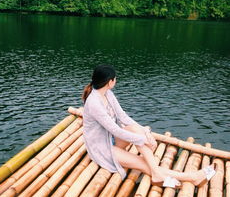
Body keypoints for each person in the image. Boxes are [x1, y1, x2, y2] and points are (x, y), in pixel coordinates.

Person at [79, 64, 215, 188]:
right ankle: (193, 177)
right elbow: (114, 129)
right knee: (142, 163)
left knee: (135, 130)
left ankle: (156, 174)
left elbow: (123, 117)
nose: (116, 80)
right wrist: (142, 139)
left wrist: (144, 132)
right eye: (115, 79)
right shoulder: (94, 103)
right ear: (110, 82)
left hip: (112, 140)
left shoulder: (108, 93)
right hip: (102, 148)